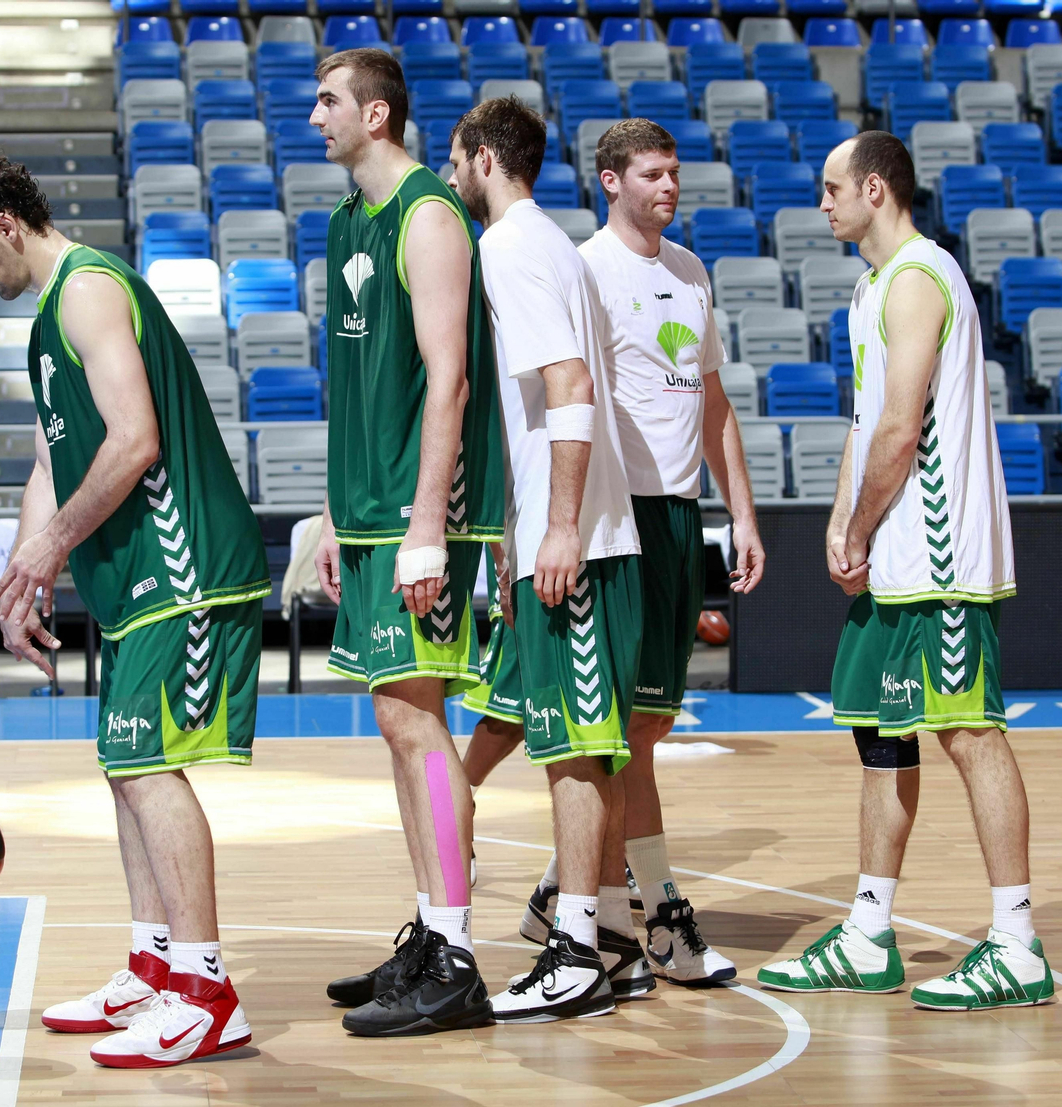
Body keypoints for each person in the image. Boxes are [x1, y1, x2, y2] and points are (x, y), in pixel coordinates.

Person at [0, 152, 271, 1066]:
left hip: (185, 563)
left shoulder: (87, 290)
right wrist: (23, 576)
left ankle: (206, 992)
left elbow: (135, 439)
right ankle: (154, 968)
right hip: (134, 580)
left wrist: (53, 546)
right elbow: (51, 464)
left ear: (6, 224)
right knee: (126, 765)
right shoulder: (47, 321)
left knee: (150, 767)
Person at [462, 120, 768, 990]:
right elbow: (539, 405)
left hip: (676, 518)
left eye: (674, 172)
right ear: (610, 181)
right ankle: (639, 913)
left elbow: (712, 404)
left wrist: (741, 513)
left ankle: (571, 896)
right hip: (606, 517)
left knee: (642, 727)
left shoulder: (692, 273)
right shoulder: (582, 266)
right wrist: (521, 531)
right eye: (652, 173)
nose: (669, 185)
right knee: (586, 725)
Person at [757, 131, 1052, 1010]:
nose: (823, 202)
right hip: (893, 553)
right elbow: (864, 423)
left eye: (832, 187)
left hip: (940, 555)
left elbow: (900, 427)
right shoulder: (871, 285)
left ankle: (1017, 943)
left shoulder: (921, 277)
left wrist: (861, 522)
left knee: (970, 733)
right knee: (880, 735)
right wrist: (840, 524)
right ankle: (869, 933)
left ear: (876, 189)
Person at [309, 48, 503, 1037]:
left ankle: (456, 955)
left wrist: (427, 525)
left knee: (419, 726)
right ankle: (431, 931)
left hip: (419, 512)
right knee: (399, 723)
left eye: (328, 101)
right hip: (368, 509)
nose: (316, 118)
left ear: (376, 114)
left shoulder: (428, 216)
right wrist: (332, 514)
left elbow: (448, 379)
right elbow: (355, 387)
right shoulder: (348, 219)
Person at [450, 96, 648, 1021]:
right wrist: (514, 531)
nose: (453, 174)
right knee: (588, 747)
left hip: (577, 541)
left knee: (573, 748)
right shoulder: (556, 246)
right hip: (569, 532)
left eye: (458, 158)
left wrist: (557, 527)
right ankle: (609, 937)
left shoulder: (509, 248)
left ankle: (574, 951)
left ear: (486, 160)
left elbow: (569, 388)